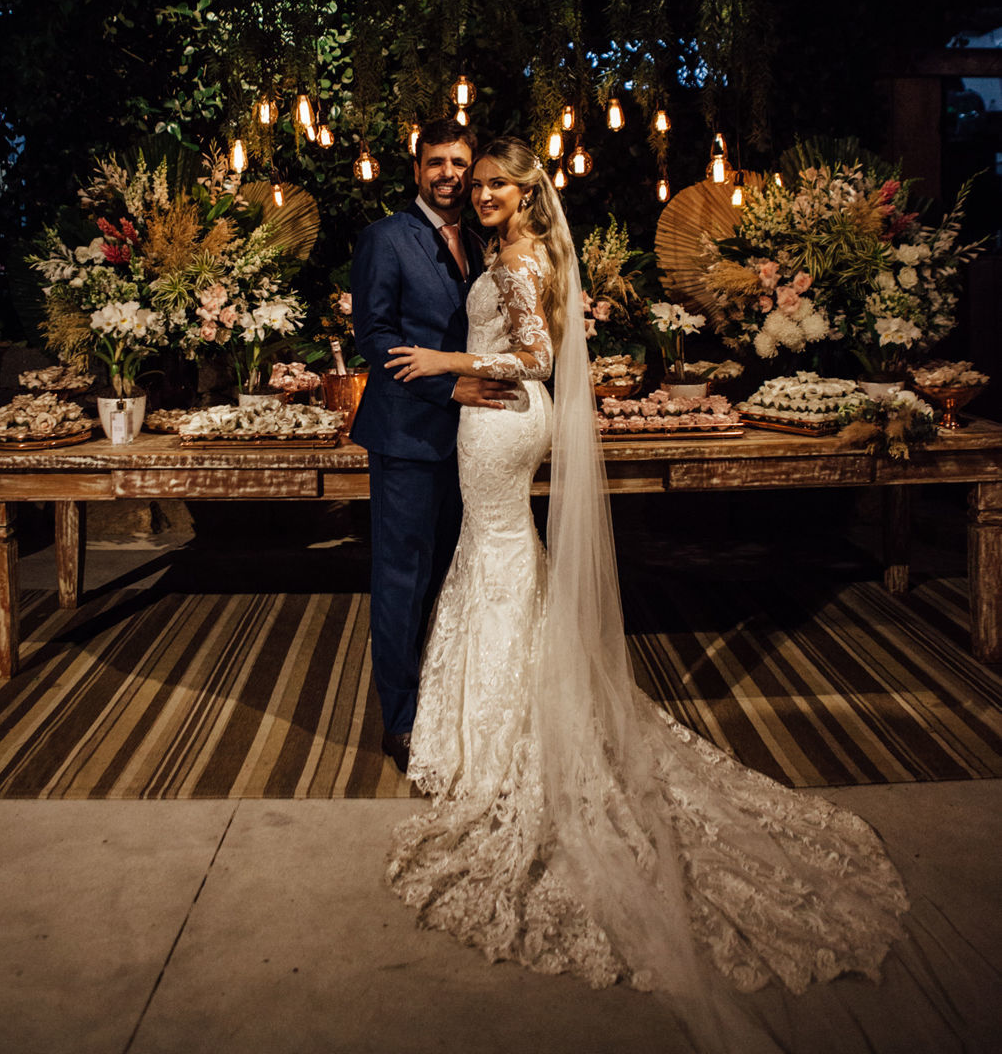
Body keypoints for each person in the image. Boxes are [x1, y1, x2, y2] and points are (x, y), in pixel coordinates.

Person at [383, 137, 915, 1051]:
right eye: (475, 186)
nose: (481, 196)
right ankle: (507, 717)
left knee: (498, 555)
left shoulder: (516, 259)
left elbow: (538, 359)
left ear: (525, 190)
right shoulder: (529, 253)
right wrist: (463, 367)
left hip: (500, 421)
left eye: (496, 183)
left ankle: (505, 739)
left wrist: (440, 364)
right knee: (500, 556)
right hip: (502, 421)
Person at [350, 120, 514, 774]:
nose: (448, 174)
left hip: (476, 445)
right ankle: (401, 722)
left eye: (458, 164)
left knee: (455, 576)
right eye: (435, 163)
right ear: (416, 169)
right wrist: (449, 390)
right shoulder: (386, 239)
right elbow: (375, 336)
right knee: (401, 580)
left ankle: (450, 699)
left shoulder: (485, 239)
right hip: (408, 437)